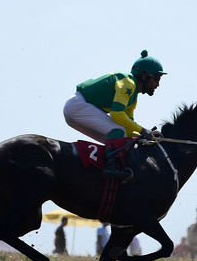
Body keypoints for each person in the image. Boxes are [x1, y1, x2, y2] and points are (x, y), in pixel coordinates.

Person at [63, 50, 166, 180]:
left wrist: (141, 137)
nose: (158, 84)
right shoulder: (128, 83)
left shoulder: (132, 98)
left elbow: (127, 127)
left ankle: (110, 166)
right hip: (77, 106)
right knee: (118, 130)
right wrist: (142, 130)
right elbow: (116, 115)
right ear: (145, 76)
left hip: (77, 109)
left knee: (122, 137)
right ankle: (110, 167)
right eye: (156, 79)